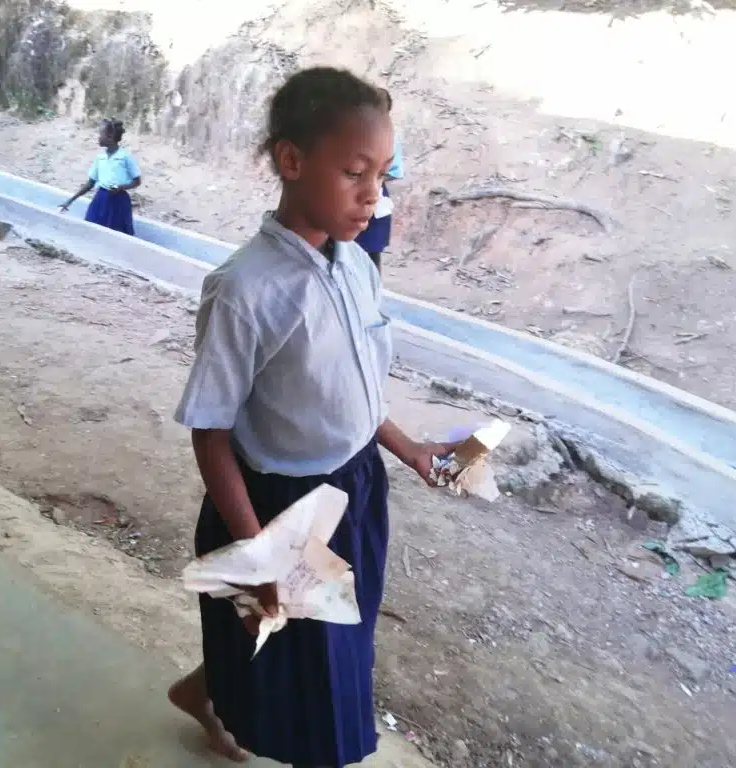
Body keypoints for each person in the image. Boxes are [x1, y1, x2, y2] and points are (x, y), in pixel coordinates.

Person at [166, 67, 462, 768]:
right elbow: (211, 433)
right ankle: (239, 709)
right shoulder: (245, 290)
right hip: (277, 507)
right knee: (315, 674)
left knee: (314, 639)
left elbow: (349, 391)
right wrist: (258, 555)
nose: (373, 194)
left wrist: (409, 447)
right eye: (355, 172)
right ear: (292, 161)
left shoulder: (356, 266)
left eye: (383, 175)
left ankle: (199, 693)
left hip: (355, 490)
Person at [59, 118, 141, 235]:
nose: (98, 137)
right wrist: (69, 201)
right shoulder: (100, 158)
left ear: (110, 137)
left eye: (101, 134)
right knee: (91, 232)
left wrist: (121, 187)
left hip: (118, 202)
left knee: (116, 235)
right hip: (101, 200)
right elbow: (90, 183)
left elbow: (137, 181)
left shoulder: (124, 157)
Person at [354, 88, 404, 273]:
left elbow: (396, 171)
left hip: (375, 196)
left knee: (371, 249)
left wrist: (373, 176)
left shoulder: (390, 137)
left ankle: (372, 287)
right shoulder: (353, 132)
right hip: (354, 193)